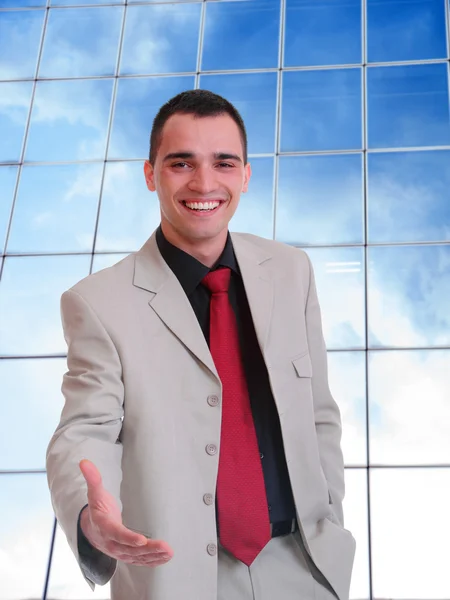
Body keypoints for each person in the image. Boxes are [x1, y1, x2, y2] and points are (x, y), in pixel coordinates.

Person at [46, 89, 355, 600]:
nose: (205, 183)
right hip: (178, 577)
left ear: (246, 175)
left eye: (224, 163)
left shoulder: (291, 270)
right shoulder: (97, 302)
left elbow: (320, 412)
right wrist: (88, 516)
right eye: (181, 163)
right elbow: (84, 430)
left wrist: (331, 526)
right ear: (150, 175)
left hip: (304, 567)